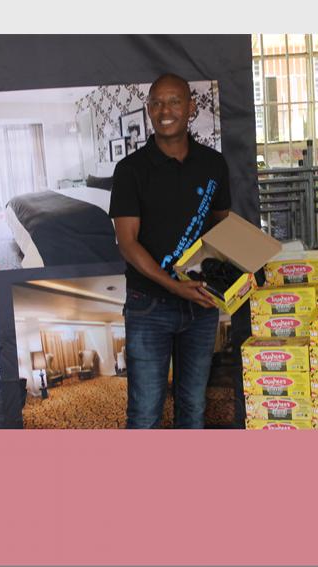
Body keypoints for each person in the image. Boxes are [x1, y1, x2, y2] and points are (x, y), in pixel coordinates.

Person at [109, 73, 231, 429]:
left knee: (193, 408)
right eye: (157, 103)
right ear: (149, 110)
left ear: (191, 108)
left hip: (201, 303)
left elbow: (223, 227)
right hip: (149, 306)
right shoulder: (130, 171)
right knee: (145, 413)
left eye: (175, 101)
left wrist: (236, 271)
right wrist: (174, 286)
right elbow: (126, 242)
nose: (165, 111)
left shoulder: (213, 165)